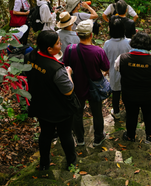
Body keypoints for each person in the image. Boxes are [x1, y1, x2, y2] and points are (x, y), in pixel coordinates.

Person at [27, 31, 77, 170]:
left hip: (40, 104)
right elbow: (68, 90)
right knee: (65, 135)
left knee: (45, 133)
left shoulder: (29, 57)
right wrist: (68, 73)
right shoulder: (56, 69)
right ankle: (71, 163)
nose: (60, 44)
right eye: (57, 43)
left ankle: (44, 164)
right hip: (59, 108)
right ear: (49, 48)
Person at [62, 20, 110, 147]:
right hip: (95, 87)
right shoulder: (98, 51)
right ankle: (98, 138)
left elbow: (66, 67)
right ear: (91, 35)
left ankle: (80, 139)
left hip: (76, 87)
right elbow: (106, 67)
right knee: (97, 113)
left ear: (77, 35)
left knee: (77, 114)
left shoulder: (69, 49)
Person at [115, 32, 151, 143]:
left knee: (131, 114)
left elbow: (117, 68)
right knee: (148, 113)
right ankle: (150, 135)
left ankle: (130, 136)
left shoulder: (122, 58)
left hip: (129, 94)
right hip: (147, 94)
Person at [103, 16, 131, 120]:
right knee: (126, 93)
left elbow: (104, 58)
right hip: (127, 73)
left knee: (115, 93)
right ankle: (129, 111)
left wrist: (106, 71)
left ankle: (116, 112)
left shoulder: (107, 44)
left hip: (113, 72)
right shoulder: (129, 42)